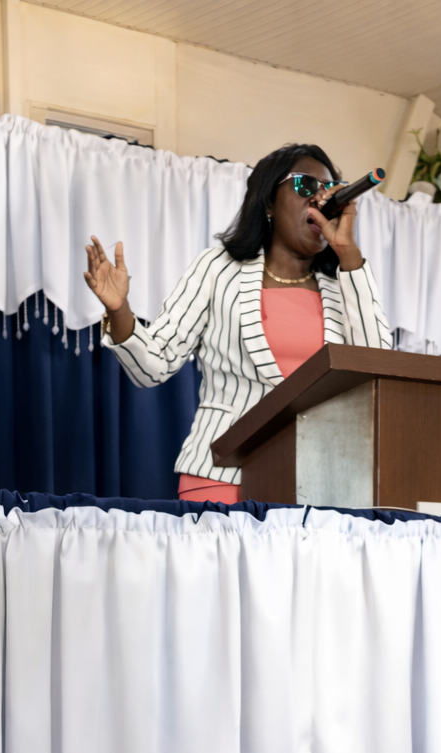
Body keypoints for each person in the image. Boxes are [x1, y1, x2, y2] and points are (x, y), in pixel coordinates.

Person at [84, 143, 391, 504]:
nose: (321, 197)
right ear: (267, 202)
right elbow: (152, 366)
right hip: (222, 477)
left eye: (329, 189)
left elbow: (378, 368)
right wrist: (120, 310)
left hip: (319, 483)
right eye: (306, 185)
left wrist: (349, 255)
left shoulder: (346, 284)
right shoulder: (217, 269)